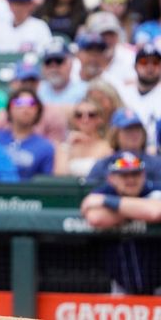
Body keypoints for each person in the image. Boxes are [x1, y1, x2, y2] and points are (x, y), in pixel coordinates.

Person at [81, 152, 161, 294]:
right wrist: (138, 210)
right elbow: (95, 217)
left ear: (143, 175)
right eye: (124, 175)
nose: (130, 179)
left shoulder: (154, 189)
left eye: (135, 174)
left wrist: (107, 202)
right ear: (111, 178)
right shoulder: (106, 190)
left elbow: (155, 212)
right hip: (121, 287)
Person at [0, 89, 55, 180]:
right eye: (19, 102)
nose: (26, 108)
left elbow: (46, 184)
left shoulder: (45, 147)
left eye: (32, 103)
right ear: (9, 108)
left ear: (38, 110)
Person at [88, 109, 161, 185]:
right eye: (128, 129)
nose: (134, 134)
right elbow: (89, 191)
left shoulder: (156, 164)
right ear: (115, 134)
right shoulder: (104, 165)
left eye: (137, 129)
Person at [54, 99, 113, 178]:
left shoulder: (107, 147)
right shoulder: (65, 146)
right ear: (74, 120)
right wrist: (68, 144)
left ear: (100, 119)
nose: (85, 119)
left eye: (91, 115)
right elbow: (59, 177)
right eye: (79, 115)